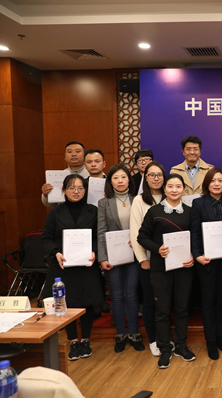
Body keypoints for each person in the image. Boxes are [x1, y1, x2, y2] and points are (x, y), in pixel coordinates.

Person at [137, 173, 196, 369]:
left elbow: (196, 237)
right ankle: (164, 348)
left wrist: (193, 255)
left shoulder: (190, 212)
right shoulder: (154, 211)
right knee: (162, 310)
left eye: (178, 186)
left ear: (183, 190)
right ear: (165, 189)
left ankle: (181, 345)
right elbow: (142, 237)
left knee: (182, 308)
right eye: (170, 186)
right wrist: (157, 249)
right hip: (160, 268)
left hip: (184, 267)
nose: (174, 190)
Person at [41, 174, 103, 361]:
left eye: (80, 188)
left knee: (87, 301)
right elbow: (46, 238)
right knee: (65, 301)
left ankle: (86, 338)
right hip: (63, 264)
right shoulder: (55, 212)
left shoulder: (93, 211)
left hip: (86, 263)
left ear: (85, 190)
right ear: (64, 190)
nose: (76, 191)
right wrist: (55, 253)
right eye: (71, 188)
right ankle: (73, 340)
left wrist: (95, 251)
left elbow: (98, 236)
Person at [97, 164, 144, 353]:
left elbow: (143, 227)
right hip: (113, 257)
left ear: (129, 180)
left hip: (133, 254)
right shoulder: (104, 203)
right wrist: (102, 258)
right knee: (116, 296)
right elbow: (101, 232)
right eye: (115, 178)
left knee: (131, 295)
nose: (120, 181)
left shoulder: (137, 200)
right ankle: (120, 334)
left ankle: (134, 333)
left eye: (123, 177)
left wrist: (138, 240)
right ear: (110, 182)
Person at [190, 167, 222, 360]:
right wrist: (197, 255)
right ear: (207, 183)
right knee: (208, 301)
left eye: (220, 180)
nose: (217, 184)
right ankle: (210, 341)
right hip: (206, 261)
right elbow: (194, 232)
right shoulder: (198, 203)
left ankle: (220, 338)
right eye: (213, 180)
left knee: (221, 300)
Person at [130, 161, 166, 357]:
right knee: (151, 302)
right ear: (146, 178)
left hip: (170, 260)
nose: (156, 178)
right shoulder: (139, 201)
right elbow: (136, 233)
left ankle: (165, 338)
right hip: (149, 261)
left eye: (159, 174)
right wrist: (142, 259)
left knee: (166, 302)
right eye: (151, 175)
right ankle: (153, 339)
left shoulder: (171, 196)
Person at [41, 141, 90, 207]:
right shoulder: (58, 176)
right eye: (69, 152)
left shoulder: (93, 174)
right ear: (65, 157)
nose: (73, 154)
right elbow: (50, 204)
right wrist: (46, 194)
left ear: (85, 156)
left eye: (77, 151)